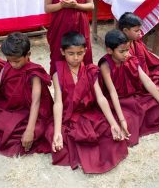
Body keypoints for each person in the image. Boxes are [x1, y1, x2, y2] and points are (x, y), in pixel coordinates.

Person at [45, 32, 128, 174]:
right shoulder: (57, 73)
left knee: (108, 130)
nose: (76, 58)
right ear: (62, 52)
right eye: (71, 53)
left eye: (80, 53)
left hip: (89, 114)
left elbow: (100, 97)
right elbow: (58, 102)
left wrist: (114, 123)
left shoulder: (90, 71)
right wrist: (58, 132)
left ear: (85, 51)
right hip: (69, 117)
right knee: (53, 134)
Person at [99, 29, 159, 138]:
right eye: (121, 51)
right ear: (109, 51)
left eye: (127, 50)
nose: (126, 54)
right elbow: (112, 93)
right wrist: (122, 120)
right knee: (127, 120)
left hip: (132, 95)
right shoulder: (105, 65)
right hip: (115, 100)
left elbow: (146, 81)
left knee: (157, 105)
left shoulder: (131, 59)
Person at [118, 12, 159, 95]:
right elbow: (135, 71)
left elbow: (148, 53)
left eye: (140, 29)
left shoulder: (136, 41)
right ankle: (155, 89)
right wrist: (154, 87)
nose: (140, 33)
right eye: (136, 30)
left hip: (144, 73)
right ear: (125, 31)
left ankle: (155, 88)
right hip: (134, 79)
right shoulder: (122, 49)